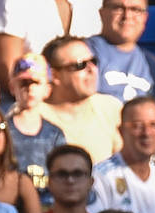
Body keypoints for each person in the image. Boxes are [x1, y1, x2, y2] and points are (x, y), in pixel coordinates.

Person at [40, 36, 123, 165]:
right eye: (80, 65)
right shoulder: (36, 115)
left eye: (93, 61)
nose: (92, 69)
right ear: (55, 75)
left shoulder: (110, 107)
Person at [6, 54, 66, 200]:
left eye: (36, 83)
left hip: (47, 200)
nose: (30, 88)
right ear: (12, 87)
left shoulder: (54, 134)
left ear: (47, 89)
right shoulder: (3, 130)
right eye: (24, 83)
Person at [88, 0, 155, 104]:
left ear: (145, 17)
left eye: (135, 9)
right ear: (102, 13)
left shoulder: (153, 64)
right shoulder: (85, 53)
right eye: (118, 8)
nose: (127, 16)